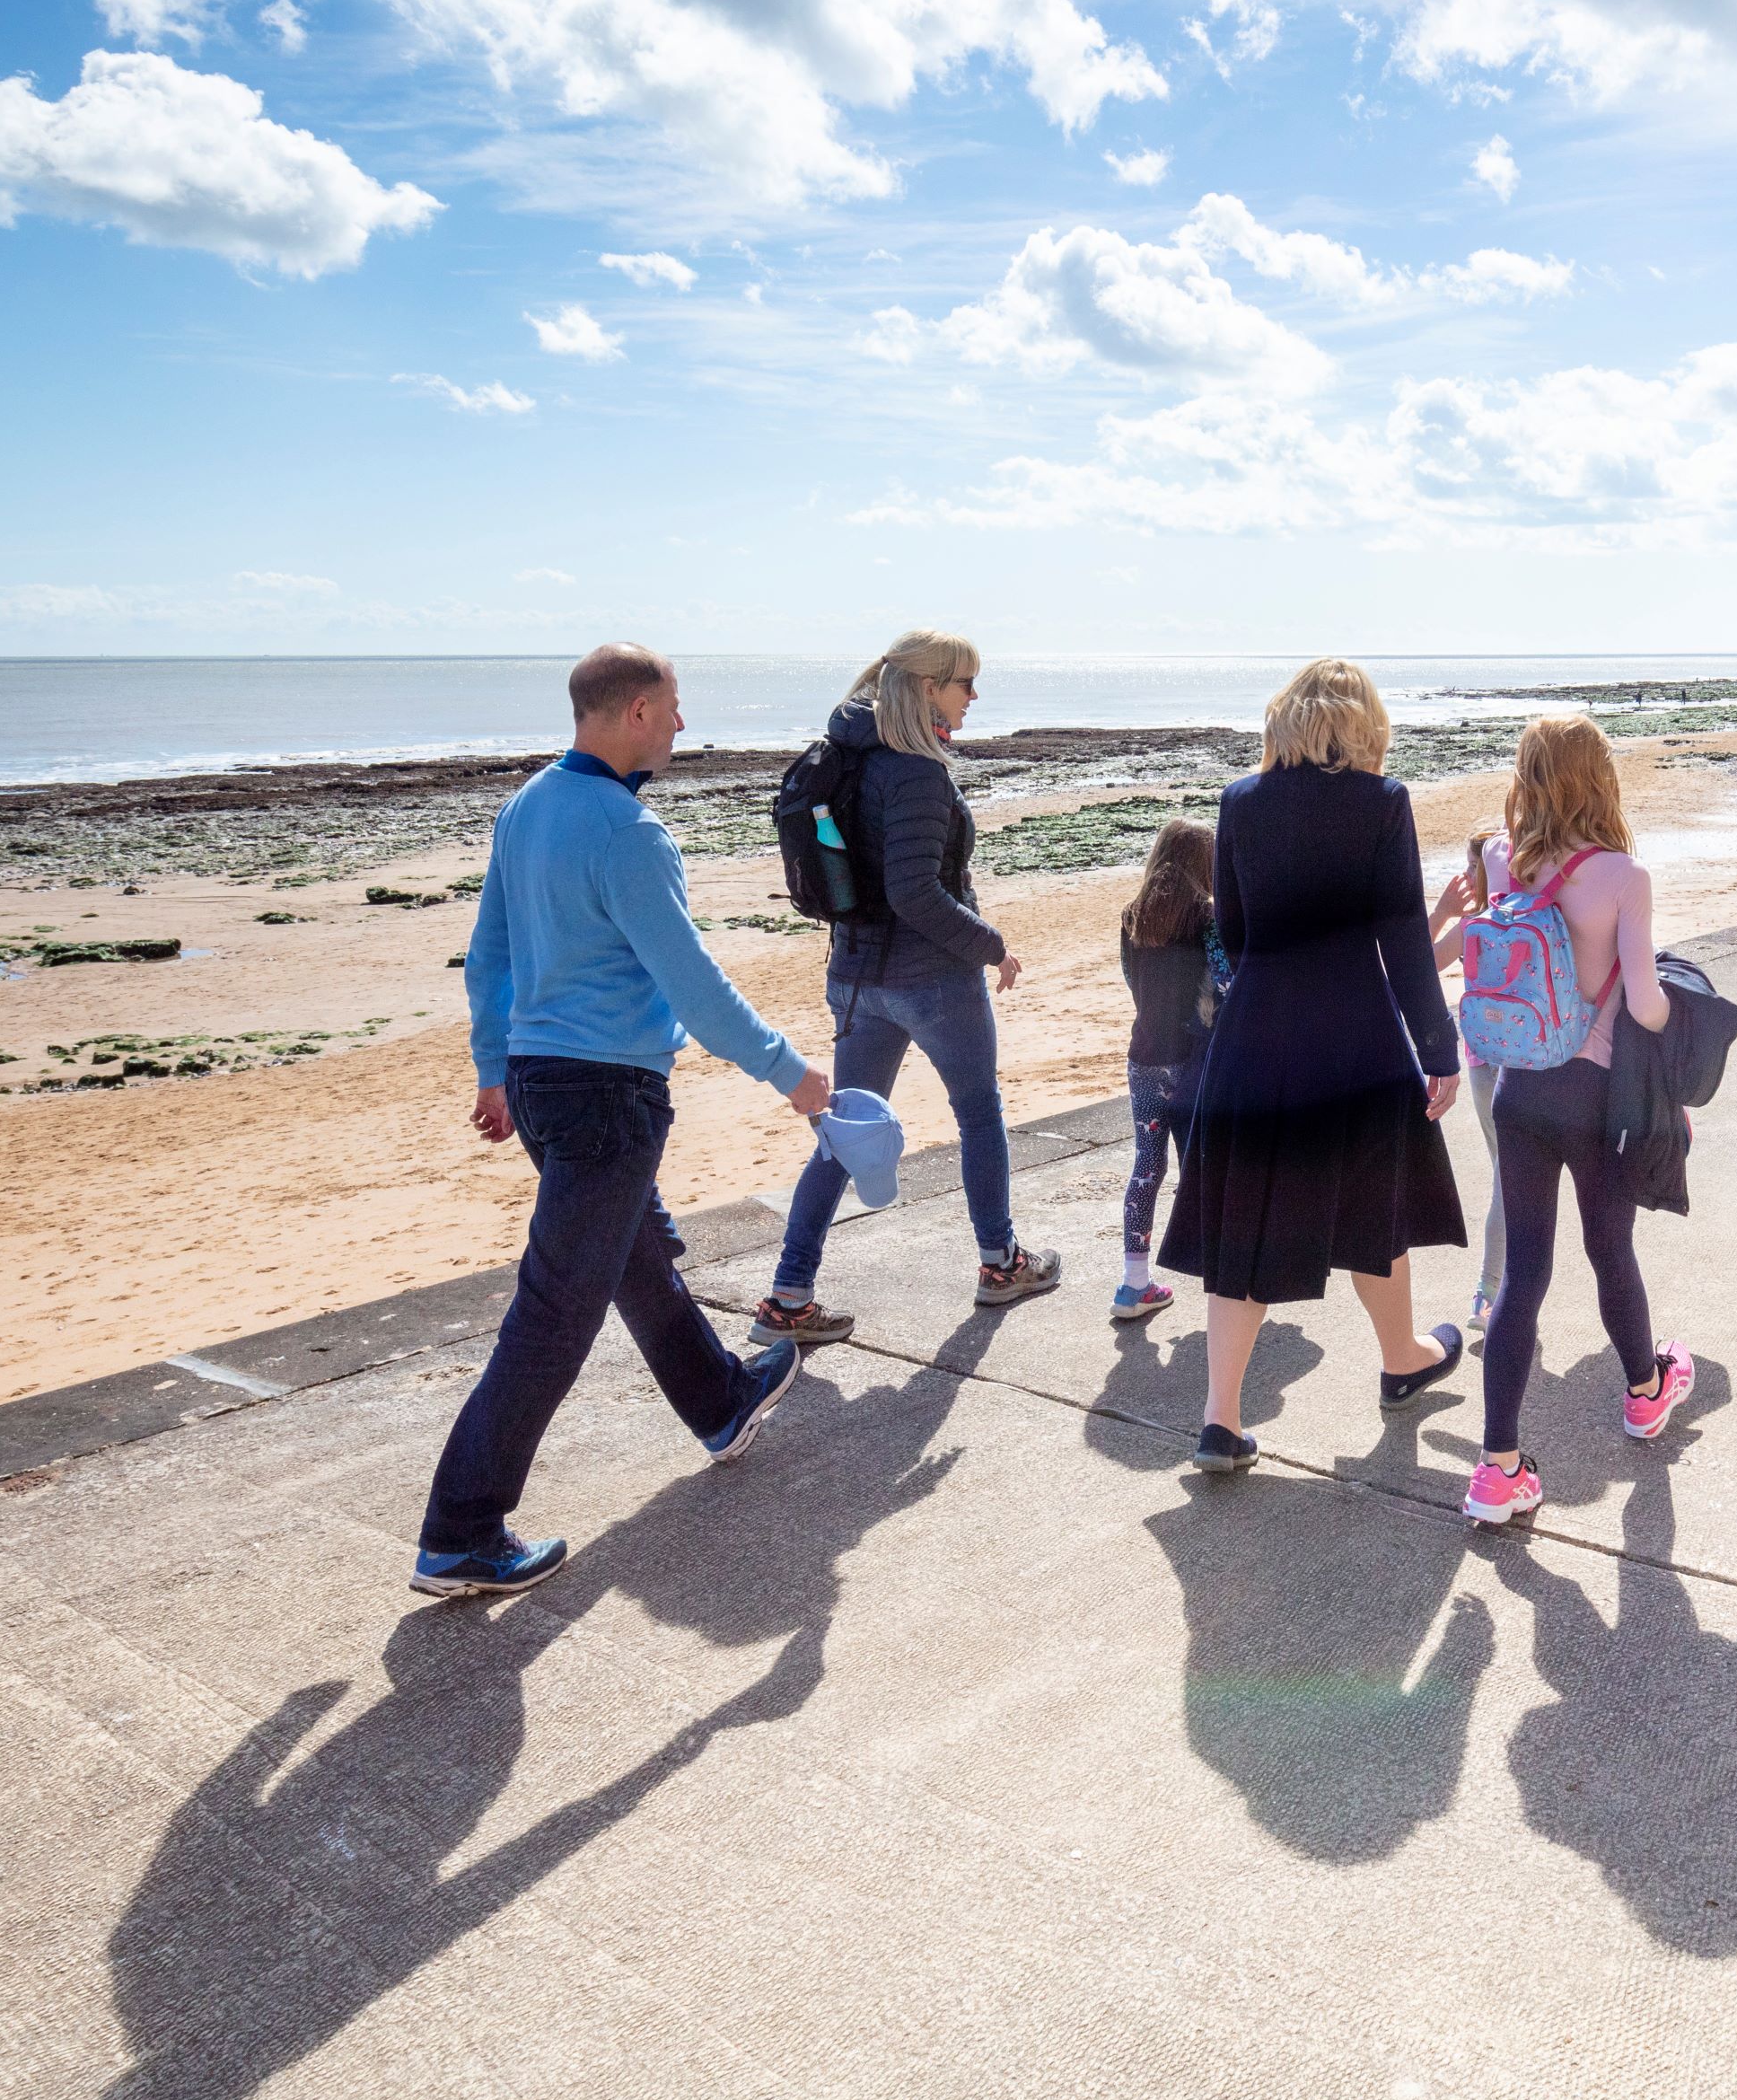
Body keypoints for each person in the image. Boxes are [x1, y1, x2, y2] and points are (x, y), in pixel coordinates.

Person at [413, 641, 834, 1597]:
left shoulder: (526, 808)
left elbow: (489, 954)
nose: (685, 726)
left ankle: (721, 1401)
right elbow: (689, 980)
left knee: (633, 1256)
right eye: (675, 707)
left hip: (540, 1081)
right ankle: (461, 1529)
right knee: (556, 1310)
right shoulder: (626, 833)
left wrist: (493, 1069)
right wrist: (789, 1072)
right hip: (607, 1094)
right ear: (636, 711)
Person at [1159, 657, 1469, 1473]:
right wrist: (1438, 1047)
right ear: (1361, 723)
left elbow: (1236, 929)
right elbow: (1403, 935)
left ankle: (1220, 1420)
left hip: (1257, 1032)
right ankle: (1401, 1356)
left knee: (1247, 1224)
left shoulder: (1240, 803)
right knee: (1378, 1202)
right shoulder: (1383, 802)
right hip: (1355, 1036)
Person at [759, 629, 1056, 1340]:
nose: (973, 696)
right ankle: (1000, 1263)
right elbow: (915, 893)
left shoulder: (844, 755)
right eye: (964, 683)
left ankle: (788, 1296)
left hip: (857, 978)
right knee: (979, 1113)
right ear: (927, 689)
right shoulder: (915, 769)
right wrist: (993, 947)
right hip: (932, 981)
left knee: (843, 1134)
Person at [1437, 712, 1690, 1532]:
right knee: (1610, 1250)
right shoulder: (1624, 876)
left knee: (1526, 1276)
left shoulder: (1509, 858)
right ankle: (1647, 1394)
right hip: (1592, 1098)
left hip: (1519, 1091)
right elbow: (1646, 1003)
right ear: (1598, 777)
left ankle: (1497, 1468)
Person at [1110, 817, 1221, 1323]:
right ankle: (1224, 1282)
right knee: (1205, 1169)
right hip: (1197, 1061)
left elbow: (1133, 983)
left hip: (1145, 1057)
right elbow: (1226, 984)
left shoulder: (1132, 918)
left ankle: (1134, 1284)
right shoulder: (1209, 918)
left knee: (1147, 1168)